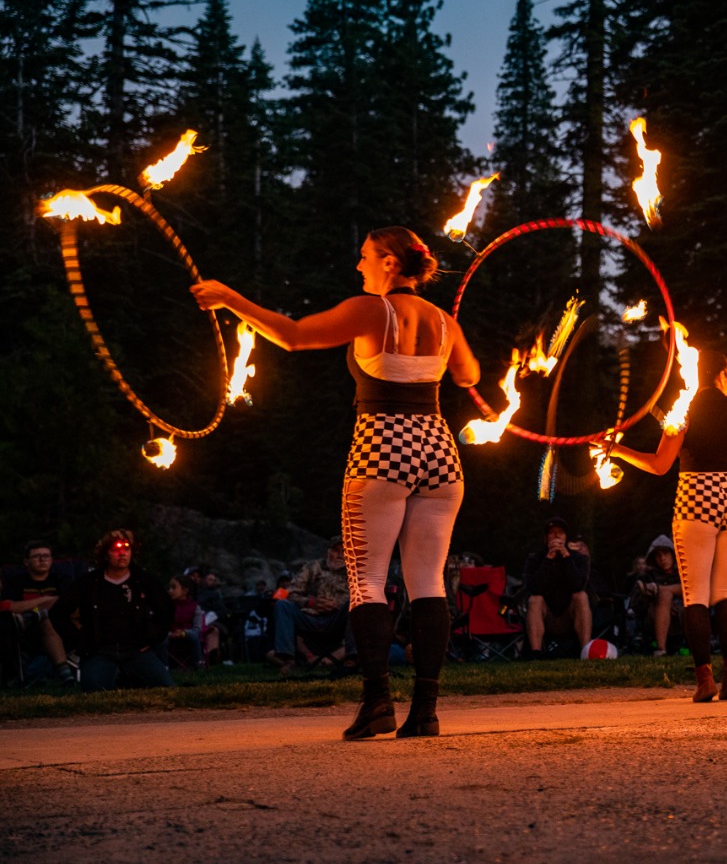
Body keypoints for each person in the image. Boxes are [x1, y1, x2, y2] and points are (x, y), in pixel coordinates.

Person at [192, 226, 480, 739]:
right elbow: (469, 376)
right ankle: (425, 711)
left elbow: (293, 335)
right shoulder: (444, 321)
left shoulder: (372, 310)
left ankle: (377, 703)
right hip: (439, 453)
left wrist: (229, 298)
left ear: (390, 262)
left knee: (367, 582)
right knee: (429, 582)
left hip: (384, 445)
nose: (359, 265)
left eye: (366, 256)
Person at [598, 349, 727, 700]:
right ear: (724, 375)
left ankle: (704, 680)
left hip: (696, 497)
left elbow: (660, 465)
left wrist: (618, 450)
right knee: (724, 590)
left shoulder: (682, 411)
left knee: (695, 594)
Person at [50, 530, 173, 691]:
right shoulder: (89, 582)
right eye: (115, 550)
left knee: (164, 687)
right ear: (105, 554)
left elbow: (166, 610)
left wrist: (152, 637)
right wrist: (80, 639)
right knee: (94, 691)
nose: (122, 554)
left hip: (137, 649)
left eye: (126, 549)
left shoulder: (143, 580)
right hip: (99, 651)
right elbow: (58, 613)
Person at [267, 539, 350, 671]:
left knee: (358, 605)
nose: (340, 555)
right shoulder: (313, 567)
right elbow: (290, 592)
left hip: (337, 618)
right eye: (336, 551)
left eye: (344, 551)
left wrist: (337, 604)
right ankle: (287, 658)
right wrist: (310, 602)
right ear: (328, 552)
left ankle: (351, 658)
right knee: (282, 605)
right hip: (310, 617)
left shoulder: (355, 572)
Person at [0, 540, 75, 684]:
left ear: (51, 560)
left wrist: (28, 607)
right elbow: (7, 606)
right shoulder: (16, 582)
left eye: (46, 556)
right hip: (25, 631)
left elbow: (69, 603)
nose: (42, 560)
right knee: (47, 616)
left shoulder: (62, 579)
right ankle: (66, 674)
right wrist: (47, 599)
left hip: (61, 627)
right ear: (26, 562)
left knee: (47, 619)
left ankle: (36, 615)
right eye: (36, 556)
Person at [521, 517, 593, 657]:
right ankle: (536, 653)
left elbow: (578, 585)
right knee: (535, 599)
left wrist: (567, 557)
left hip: (570, 616)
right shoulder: (535, 559)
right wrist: (548, 559)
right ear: (546, 538)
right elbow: (534, 588)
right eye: (552, 533)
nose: (556, 536)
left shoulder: (578, 558)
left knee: (581, 596)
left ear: (566, 537)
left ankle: (585, 650)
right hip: (545, 616)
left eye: (560, 533)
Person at [633, 535, 682, 656]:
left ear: (673, 554)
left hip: (683, 618)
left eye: (665, 554)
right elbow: (636, 607)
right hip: (653, 619)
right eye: (658, 555)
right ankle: (661, 648)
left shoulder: (683, 574)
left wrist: (660, 590)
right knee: (664, 596)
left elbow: (694, 592)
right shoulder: (647, 577)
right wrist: (651, 596)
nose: (662, 558)